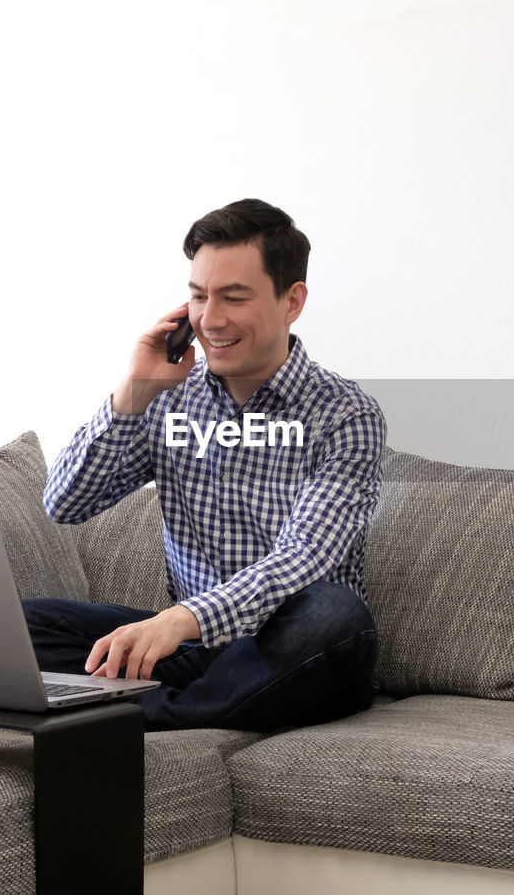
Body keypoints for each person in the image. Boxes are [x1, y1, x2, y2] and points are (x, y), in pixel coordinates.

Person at [24, 198, 387, 731]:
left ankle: (131, 714)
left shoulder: (346, 415)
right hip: (196, 650)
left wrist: (183, 618)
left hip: (287, 646)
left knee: (333, 615)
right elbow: (64, 504)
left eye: (233, 298)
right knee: (22, 623)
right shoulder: (170, 399)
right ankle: (202, 703)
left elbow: (305, 558)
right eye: (198, 297)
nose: (210, 319)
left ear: (292, 301)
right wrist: (131, 394)